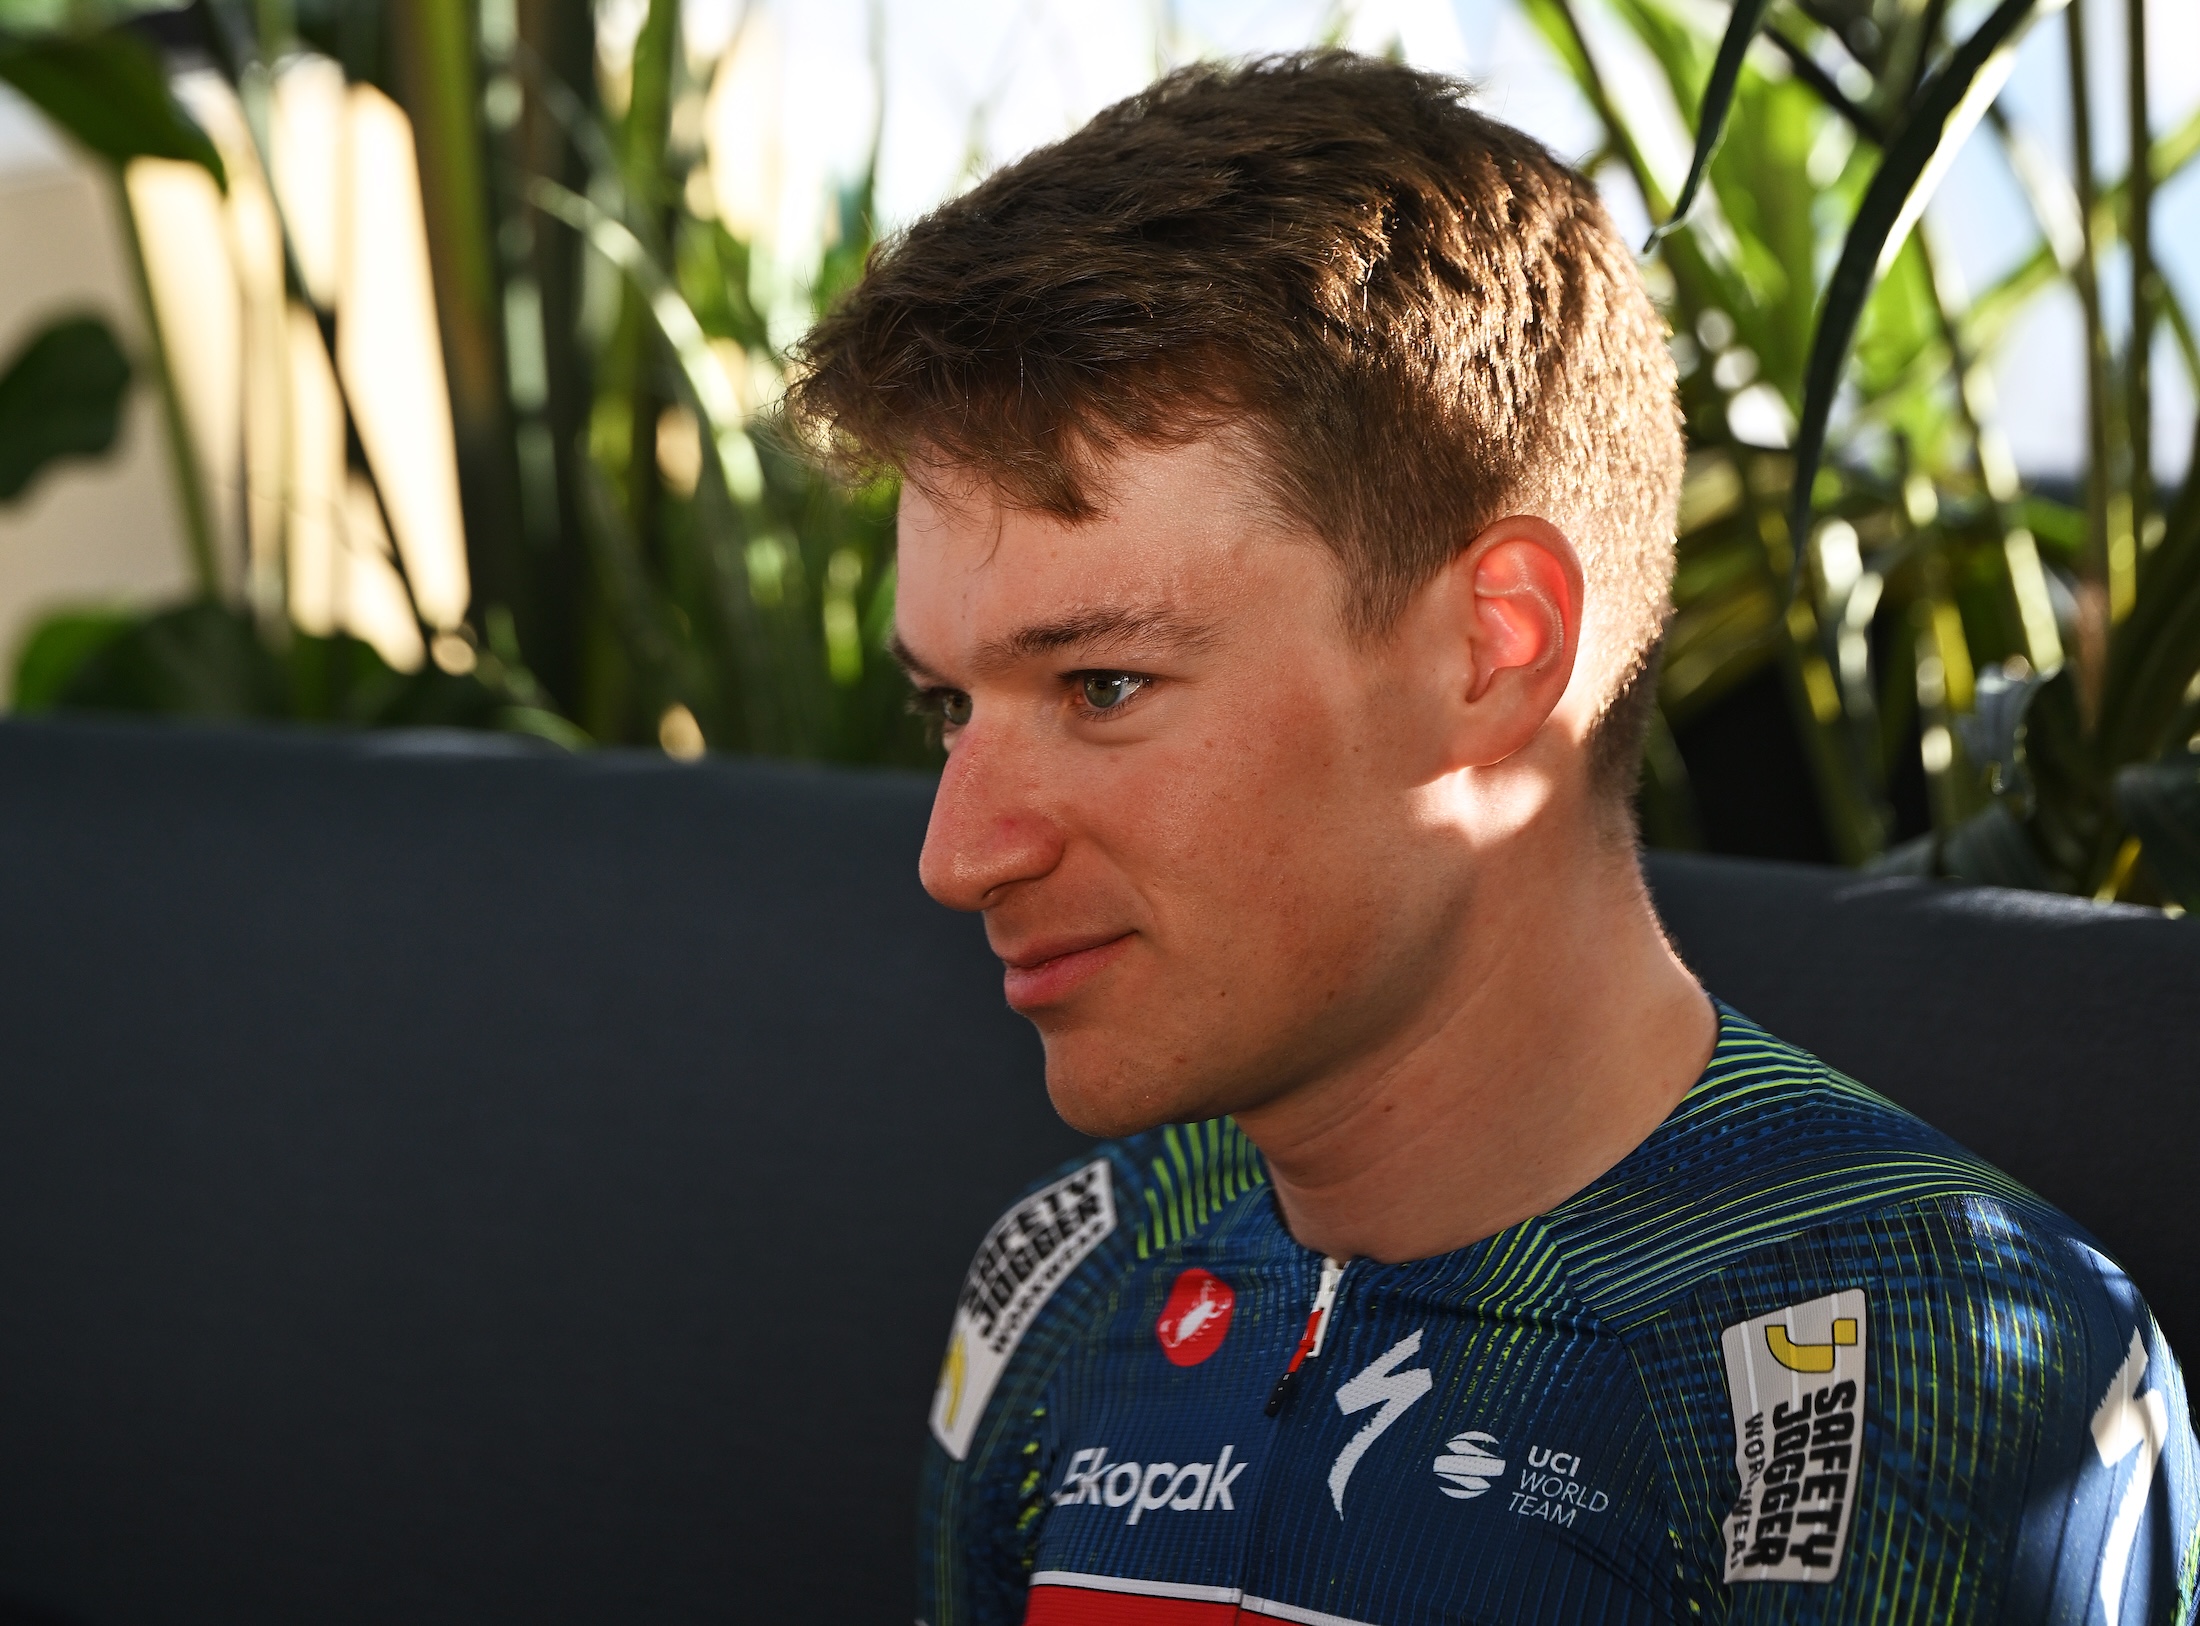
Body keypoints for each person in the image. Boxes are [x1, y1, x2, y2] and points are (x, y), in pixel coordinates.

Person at [786, 51, 2196, 1626]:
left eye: (1102, 682)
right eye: (947, 710)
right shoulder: (1067, 1276)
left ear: (1497, 647)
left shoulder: (1925, 1361)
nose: (958, 852)